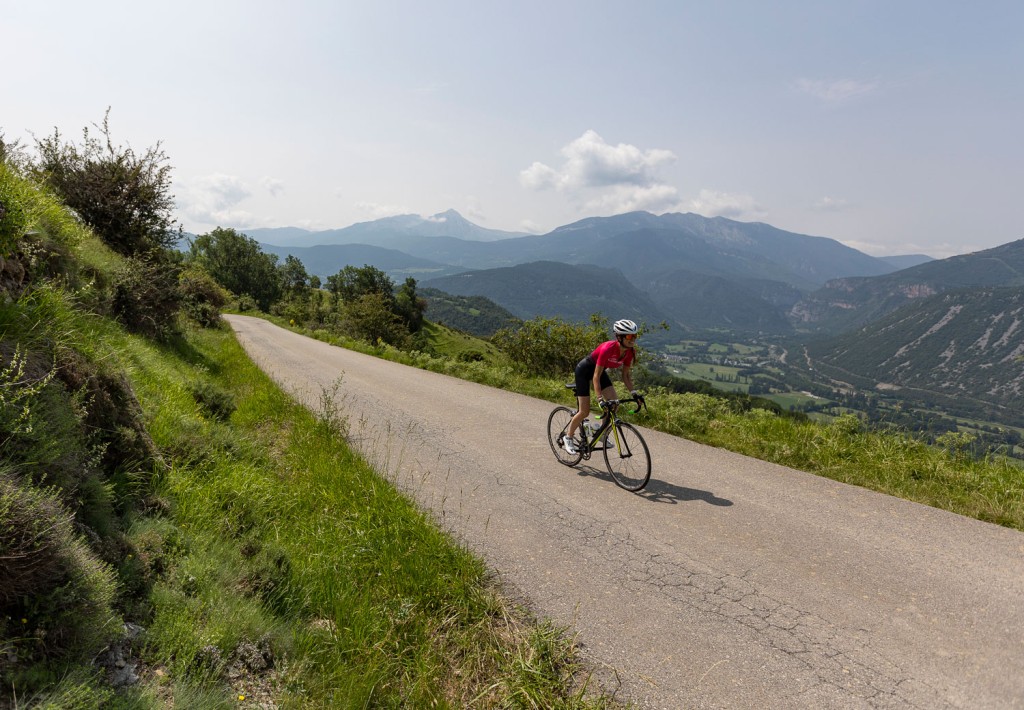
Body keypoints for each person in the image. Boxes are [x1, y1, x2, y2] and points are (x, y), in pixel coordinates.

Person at [563, 319, 644, 455]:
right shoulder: (608, 348)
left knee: (614, 405)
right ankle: (568, 437)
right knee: (584, 411)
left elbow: (626, 376)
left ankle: (600, 434)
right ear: (619, 336)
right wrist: (599, 398)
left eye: (635, 336)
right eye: (630, 336)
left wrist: (634, 393)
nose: (633, 339)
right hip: (585, 371)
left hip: (600, 373)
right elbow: (596, 376)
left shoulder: (630, 352)